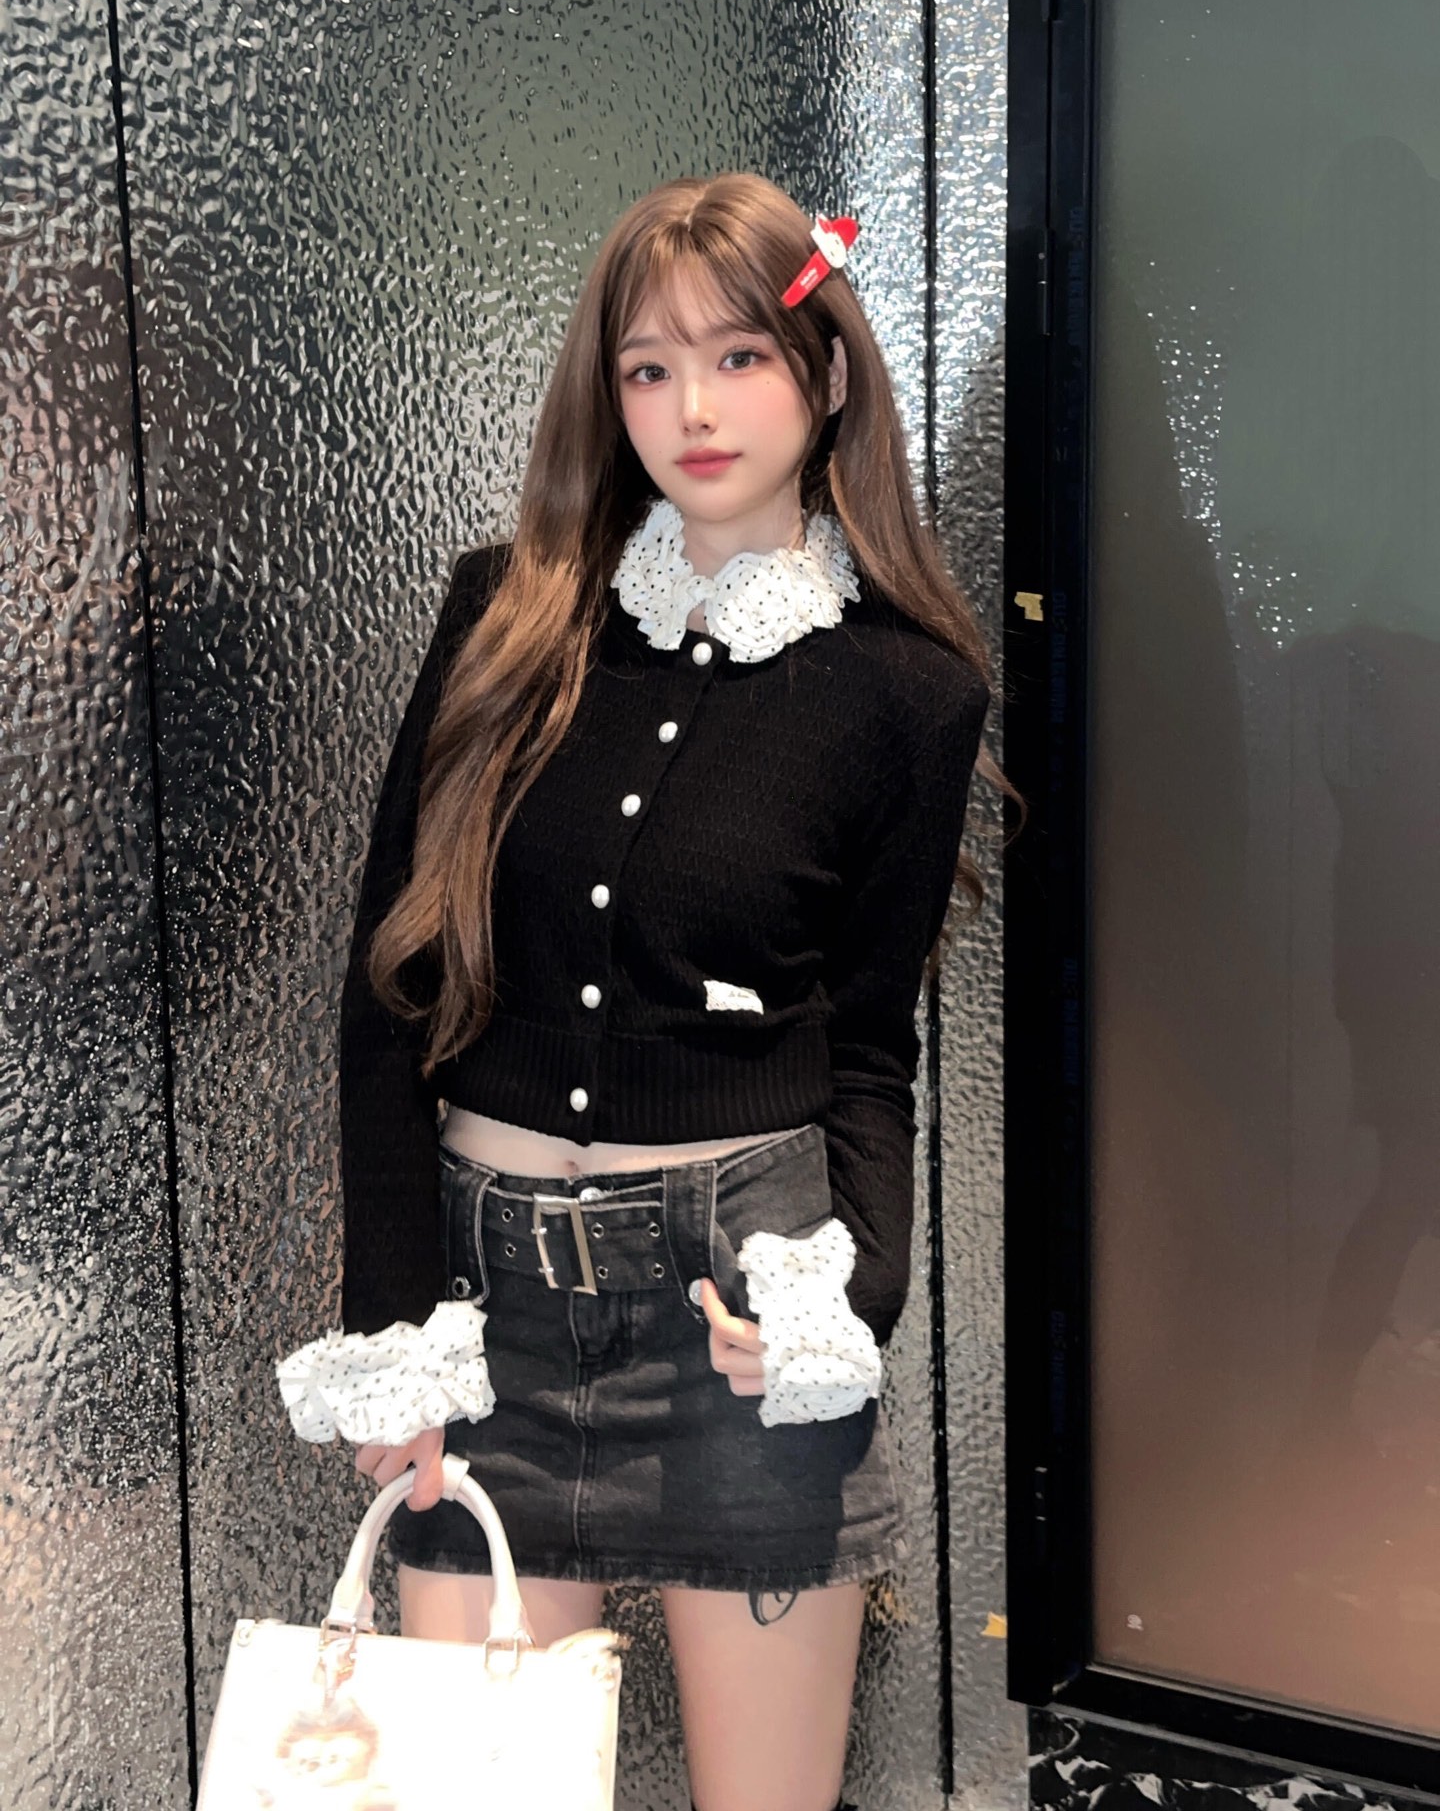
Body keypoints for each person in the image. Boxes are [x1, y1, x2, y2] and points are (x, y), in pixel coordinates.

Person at [278, 172, 1000, 1811]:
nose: (695, 410)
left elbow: (867, 1050)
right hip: (486, 1328)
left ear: (827, 375)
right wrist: (397, 1332)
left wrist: (848, 1302)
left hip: (737, 1304)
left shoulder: (907, 693)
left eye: (740, 357)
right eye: (649, 369)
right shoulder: (506, 622)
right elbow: (391, 995)